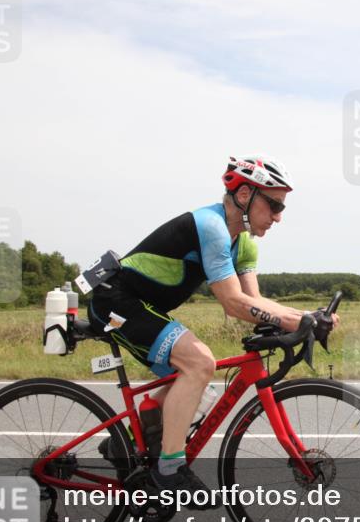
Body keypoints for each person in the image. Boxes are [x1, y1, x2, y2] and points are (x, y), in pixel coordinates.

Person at [88, 156, 339, 498]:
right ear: (244, 195)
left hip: (142, 305)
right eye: (275, 205)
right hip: (115, 301)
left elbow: (254, 302)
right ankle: (169, 471)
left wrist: (307, 314)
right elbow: (233, 303)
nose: (279, 217)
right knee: (199, 363)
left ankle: (126, 443)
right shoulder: (211, 226)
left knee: (196, 379)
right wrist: (299, 321)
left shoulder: (244, 241)